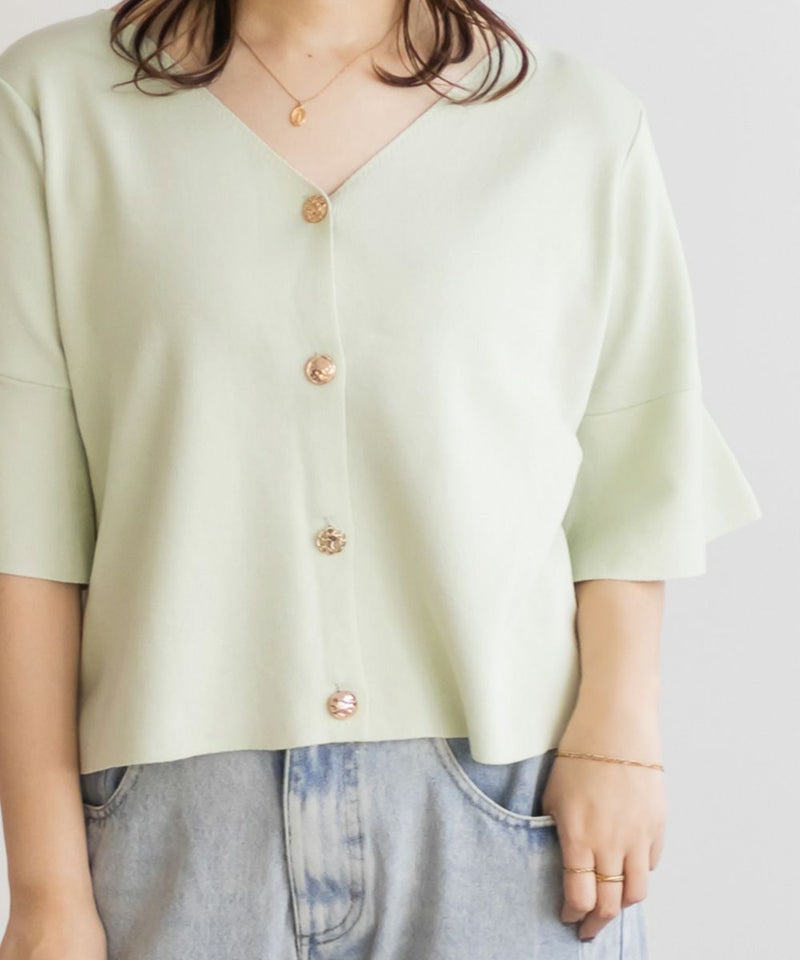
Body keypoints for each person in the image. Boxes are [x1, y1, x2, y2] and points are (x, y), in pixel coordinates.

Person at [0, 1, 763, 958]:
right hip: (177, 831)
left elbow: (629, 475)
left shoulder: (578, 125)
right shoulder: (53, 103)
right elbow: (26, 522)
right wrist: (45, 889)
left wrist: (619, 740)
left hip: (511, 814)